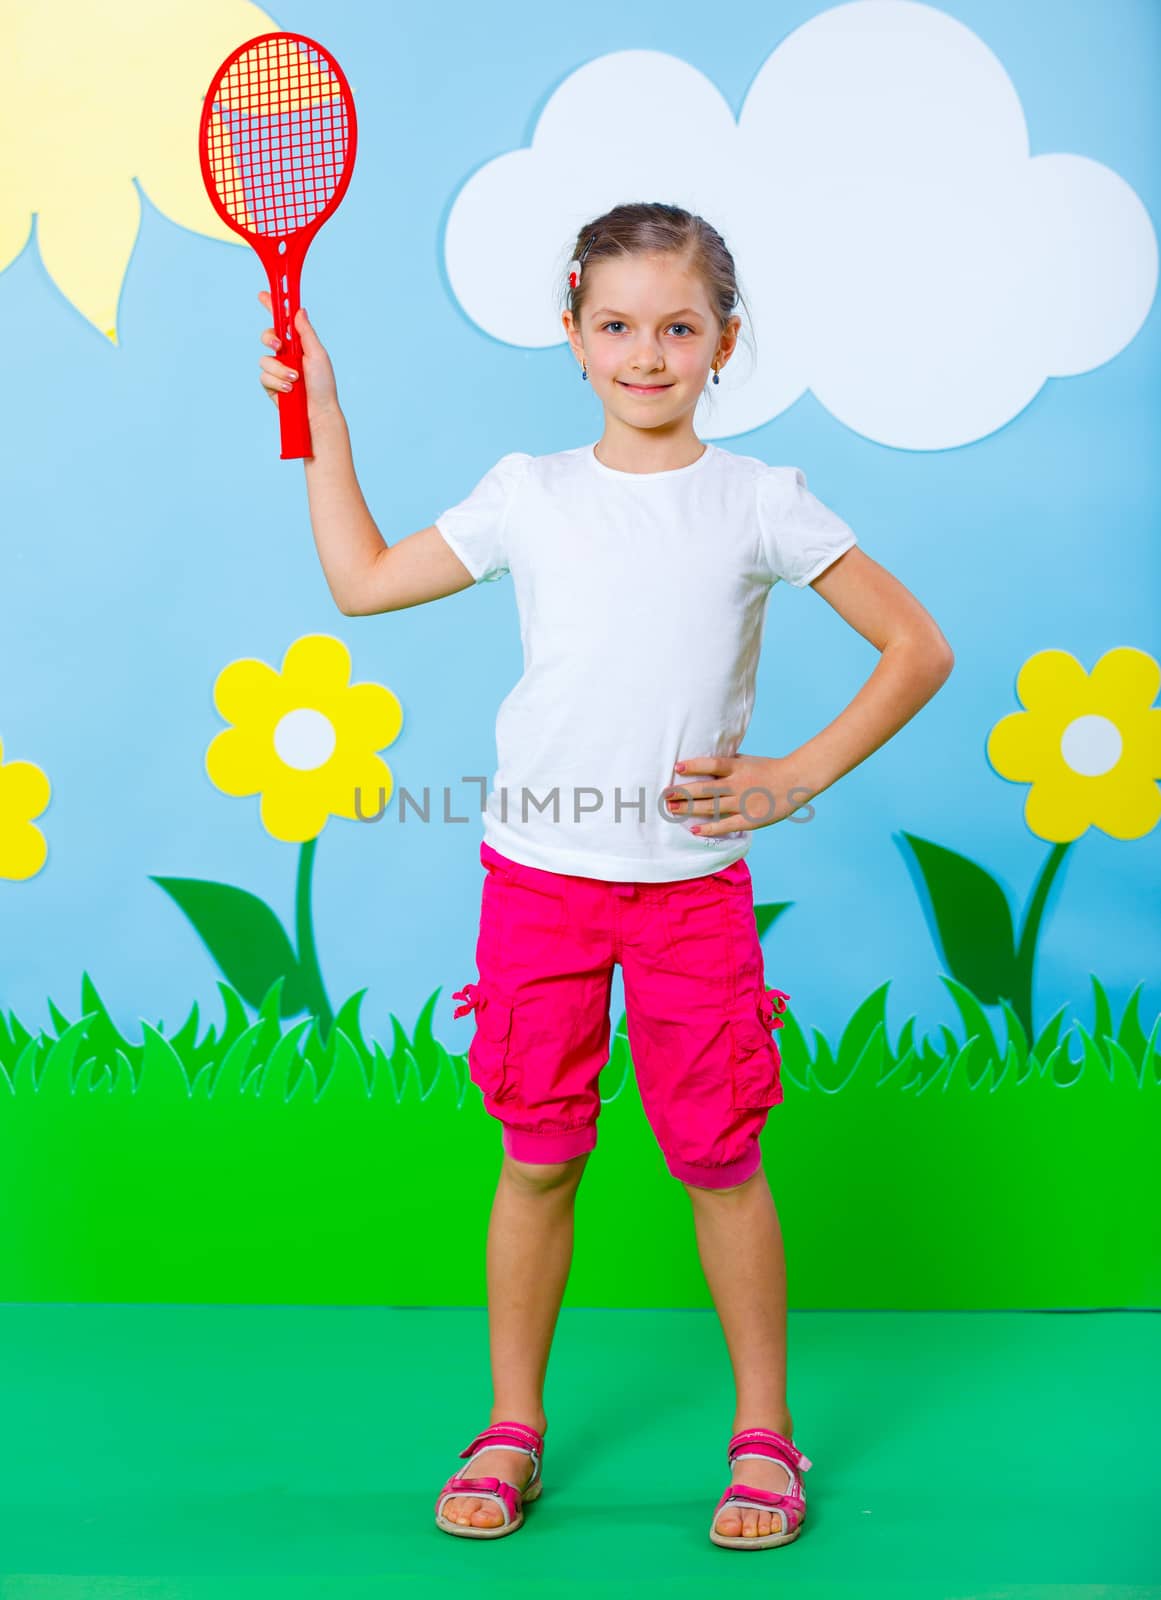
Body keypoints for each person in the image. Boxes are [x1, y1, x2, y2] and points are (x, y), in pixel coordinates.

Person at [256, 202, 954, 1550]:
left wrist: (790, 776)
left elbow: (914, 648)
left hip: (689, 892)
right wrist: (323, 415)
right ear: (570, 333)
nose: (647, 353)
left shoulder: (760, 501)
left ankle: (764, 1434)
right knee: (536, 1162)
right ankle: (510, 1426)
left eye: (677, 328)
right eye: (618, 325)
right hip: (536, 884)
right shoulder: (530, 491)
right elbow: (358, 580)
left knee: (720, 1160)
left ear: (722, 345)